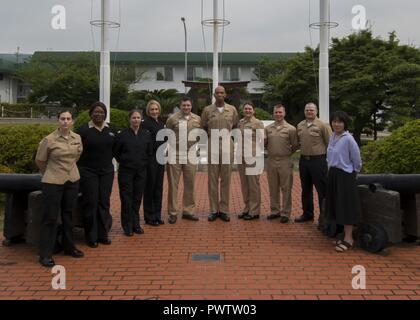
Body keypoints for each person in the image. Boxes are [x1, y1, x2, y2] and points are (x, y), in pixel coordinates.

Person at [35, 110, 84, 267]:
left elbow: (77, 155)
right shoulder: (49, 140)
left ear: (72, 121)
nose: (65, 121)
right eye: (62, 118)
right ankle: (45, 254)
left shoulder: (77, 138)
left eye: (68, 119)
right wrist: (50, 172)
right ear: (58, 121)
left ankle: (69, 247)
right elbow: (40, 160)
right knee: (50, 217)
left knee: (68, 215)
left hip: (72, 179)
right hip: (53, 181)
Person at [76, 101, 116, 248]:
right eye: (96, 112)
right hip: (88, 171)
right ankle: (91, 236)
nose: (99, 114)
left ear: (105, 114)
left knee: (104, 202)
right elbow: (77, 152)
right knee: (90, 203)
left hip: (106, 171)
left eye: (102, 112)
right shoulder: (83, 130)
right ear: (91, 113)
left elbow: (115, 150)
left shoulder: (111, 129)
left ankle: (102, 234)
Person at [201, 86, 239, 222]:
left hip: (227, 144)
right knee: (212, 179)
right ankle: (213, 210)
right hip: (213, 144)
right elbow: (204, 126)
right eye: (217, 93)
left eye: (222, 92)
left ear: (225, 94)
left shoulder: (232, 109)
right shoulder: (207, 110)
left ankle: (224, 210)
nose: (219, 95)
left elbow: (235, 125)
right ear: (214, 94)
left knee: (226, 179)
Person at [326, 111, 362, 252]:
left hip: (345, 175)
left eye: (340, 122)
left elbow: (357, 160)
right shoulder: (333, 136)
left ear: (345, 123)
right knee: (337, 205)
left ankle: (349, 239)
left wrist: (354, 173)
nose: (336, 124)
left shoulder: (349, 139)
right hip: (334, 174)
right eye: (334, 121)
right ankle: (343, 235)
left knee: (346, 206)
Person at [114, 110, 152, 236]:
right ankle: (127, 226)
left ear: (141, 119)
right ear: (129, 119)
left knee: (137, 198)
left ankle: (136, 224)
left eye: (138, 117)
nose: (136, 120)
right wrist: (125, 161)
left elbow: (149, 151)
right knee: (126, 198)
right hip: (126, 171)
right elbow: (116, 152)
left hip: (141, 171)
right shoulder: (122, 135)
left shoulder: (146, 134)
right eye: (133, 117)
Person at [166, 96, 201, 224]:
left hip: (190, 155)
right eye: (183, 105)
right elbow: (168, 134)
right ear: (180, 106)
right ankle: (173, 213)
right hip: (175, 154)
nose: (186, 107)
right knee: (173, 185)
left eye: (188, 105)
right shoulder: (172, 119)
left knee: (190, 184)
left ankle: (188, 211)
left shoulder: (197, 119)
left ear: (191, 106)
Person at [295, 102, 332, 223]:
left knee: (322, 190)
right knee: (305, 189)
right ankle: (307, 214)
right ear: (304, 111)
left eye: (311, 110)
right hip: (304, 161)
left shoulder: (323, 125)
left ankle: (324, 217)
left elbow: (330, 144)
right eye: (307, 110)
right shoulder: (300, 125)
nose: (309, 112)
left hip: (318, 161)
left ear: (316, 111)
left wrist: (329, 161)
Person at [264, 104, 299, 223]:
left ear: (284, 113)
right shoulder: (268, 128)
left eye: (280, 112)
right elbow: (265, 143)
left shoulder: (291, 129)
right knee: (273, 187)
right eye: (276, 112)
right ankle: (275, 211)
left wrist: (287, 153)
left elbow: (295, 145)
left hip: (285, 160)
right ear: (273, 114)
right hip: (271, 160)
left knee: (286, 188)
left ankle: (286, 213)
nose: (278, 114)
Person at [237, 102, 264, 220]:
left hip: (253, 157)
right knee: (245, 184)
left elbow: (262, 140)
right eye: (246, 109)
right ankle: (247, 208)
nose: (247, 111)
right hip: (241, 157)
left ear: (253, 110)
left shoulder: (257, 123)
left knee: (253, 185)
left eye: (250, 109)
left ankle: (254, 211)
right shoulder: (240, 122)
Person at [142, 100, 166, 226]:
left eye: (156, 109)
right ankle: (149, 216)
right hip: (151, 159)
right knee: (150, 187)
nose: (154, 111)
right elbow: (147, 142)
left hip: (160, 158)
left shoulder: (161, 124)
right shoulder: (145, 124)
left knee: (158, 188)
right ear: (148, 111)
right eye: (152, 109)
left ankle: (157, 215)